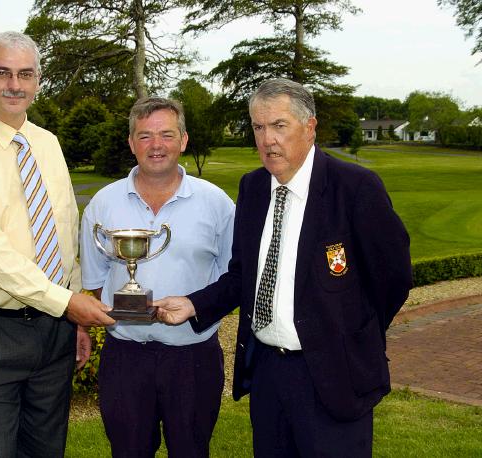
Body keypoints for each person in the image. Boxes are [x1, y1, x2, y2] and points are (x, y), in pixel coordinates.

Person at [154, 79, 413, 457]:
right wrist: (194, 304)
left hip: (334, 374)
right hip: (269, 374)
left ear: (309, 128)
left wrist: (350, 335)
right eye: (259, 127)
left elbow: (393, 279)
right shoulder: (254, 188)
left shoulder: (355, 188)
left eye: (279, 126)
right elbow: (244, 275)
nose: (267, 139)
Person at [0, 31, 114, 458]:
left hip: (54, 334)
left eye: (25, 74)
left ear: (37, 81)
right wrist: (66, 303)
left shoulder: (47, 144)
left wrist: (74, 319)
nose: (14, 84)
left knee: (47, 450)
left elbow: (63, 233)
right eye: (2, 73)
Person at [80, 97, 235, 457]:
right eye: (145, 136)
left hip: (193, 358)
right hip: (126, 358)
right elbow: (95, 279)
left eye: (166, 134)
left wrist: (195, 306)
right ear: (131, 142)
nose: (156, 145)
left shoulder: (217, 204)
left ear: (183, 140)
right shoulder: (104, 204)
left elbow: (232, 280)